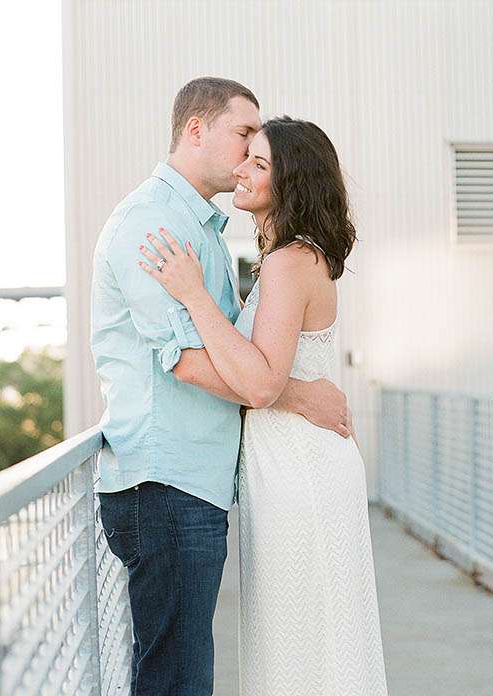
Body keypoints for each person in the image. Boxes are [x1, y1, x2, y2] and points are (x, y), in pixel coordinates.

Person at [89, 78, 351, 696]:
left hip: (194, 484)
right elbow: (182, 359)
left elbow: (239, 355)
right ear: (196, 129)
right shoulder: (152, 223)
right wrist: (296, 393)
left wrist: (278, 385)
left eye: (259, 153)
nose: (245, 160)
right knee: (179, 673)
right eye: (243, 137)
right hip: (164, 481)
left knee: (186, 668)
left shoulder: (206, 229)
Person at [138, 116, 388, 695]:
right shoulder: (289, 258)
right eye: (244, 156)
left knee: (307, 640)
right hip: (288, 466)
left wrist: (194, 294)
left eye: (259, 163)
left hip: (301, 471)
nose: (241, 170)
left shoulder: (288, 262)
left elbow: (259, 383)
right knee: (301, 637)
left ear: (291, 181)